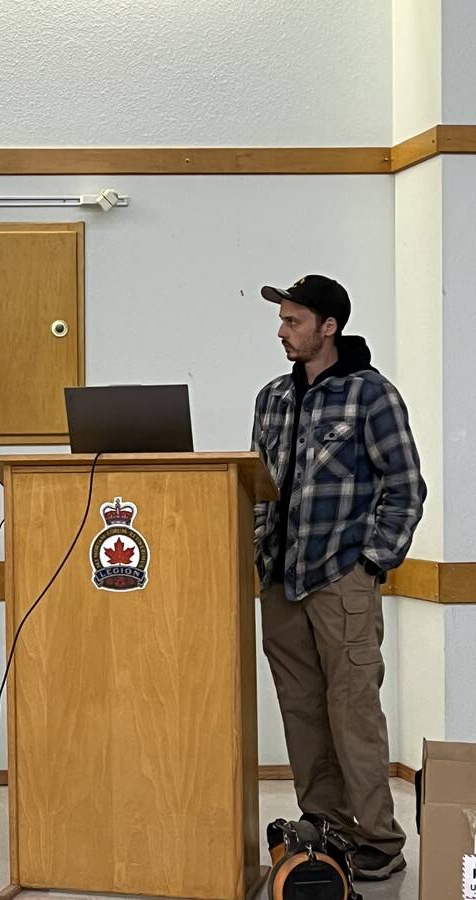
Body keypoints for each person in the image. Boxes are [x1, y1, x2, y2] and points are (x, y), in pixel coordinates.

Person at [252, 275, 426, 881]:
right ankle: (324, 826)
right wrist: (255, 555)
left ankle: (378, 841)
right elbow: (258, 489)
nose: (282, 330)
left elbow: (405, 486)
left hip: (340, 578)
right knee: (301, 709)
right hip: (280, 581)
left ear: (330, 326)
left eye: (294, 321)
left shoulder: (371, 396)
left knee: (352, 711)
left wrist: (374, 561)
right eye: (283, 320)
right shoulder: (272, 397)